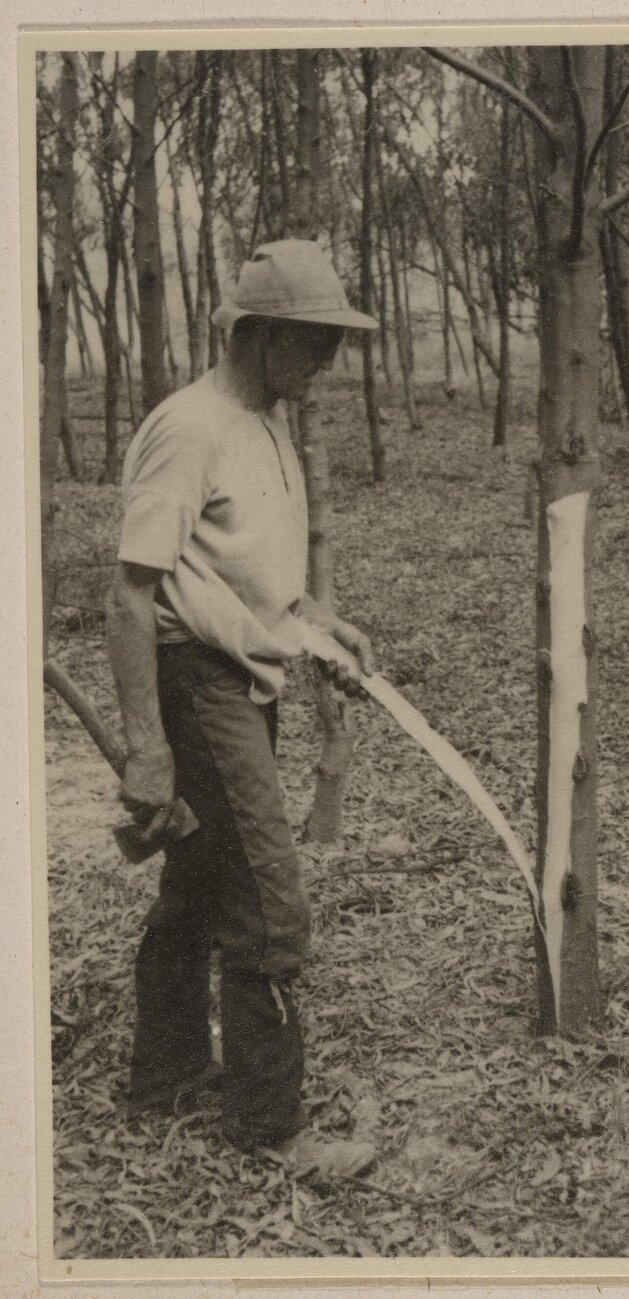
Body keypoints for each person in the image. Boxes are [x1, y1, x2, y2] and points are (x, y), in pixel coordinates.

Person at [107, 240, 379, 1178]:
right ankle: (272, 1127)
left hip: (244, 675)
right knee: (269, 899)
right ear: (258, 334)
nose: (327, 366)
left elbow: (256, 586)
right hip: (197, 681)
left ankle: (170, 1070)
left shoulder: (266, 422)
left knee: (198, 881)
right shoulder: (191, 427)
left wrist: (321, 627)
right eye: (313, 343)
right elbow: (133, 594)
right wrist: (148, 747)